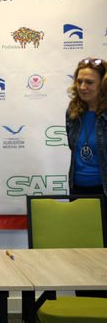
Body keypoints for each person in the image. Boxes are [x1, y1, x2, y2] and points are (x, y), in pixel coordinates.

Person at [66, 57, 107, 298]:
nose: (83, 87)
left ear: (103, 84)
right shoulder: (74, 112)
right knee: (82, 254)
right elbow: (74, 148)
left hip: (104, 191)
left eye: (89, 82)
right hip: (79, 191)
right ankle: (83, 305)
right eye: (79, 81)